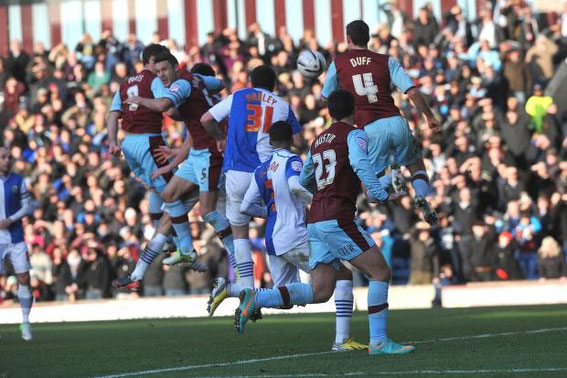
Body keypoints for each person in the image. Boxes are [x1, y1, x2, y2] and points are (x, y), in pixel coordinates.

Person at [234, 90, 414, 356]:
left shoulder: (318, 141)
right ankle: (378, 341)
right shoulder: (354, 134)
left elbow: (307, 179)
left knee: (320, 291)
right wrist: (381, 192)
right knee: (380, 273)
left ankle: (257, 297)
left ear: (330, 112)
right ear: (354, 108)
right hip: (337, 217)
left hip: (316, 220)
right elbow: (361, 167)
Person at [209, 121, 366, 351]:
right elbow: (294, 185)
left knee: (285, 300)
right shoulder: (293, 161)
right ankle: (341, 341)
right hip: (295, 234)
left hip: (272, 239)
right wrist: (320, 202)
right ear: (292, 140)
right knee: (340, 276)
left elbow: (245, 206)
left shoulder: (260, 169)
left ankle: (232, 290)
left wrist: (269, 213)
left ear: (270, 142)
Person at [322, 20, 441, 225]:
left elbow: (327, 98)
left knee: (370, 192)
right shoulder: (386, 60)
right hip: (395, 121)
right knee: (417, 166)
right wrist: (429, 116)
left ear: (348, 39)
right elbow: (412, 91)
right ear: (368, 38)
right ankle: (420, 195)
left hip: (368, 128)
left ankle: (393, 179)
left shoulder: (338, 63)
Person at [107, 45, 204, 292]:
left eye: (165, 68)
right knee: (171, 195)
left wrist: (111, 140)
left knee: (160, 192)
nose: (162, 74)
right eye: (158, 66)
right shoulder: (163, 83)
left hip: (130, 143)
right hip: (153, 142)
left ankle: (172, 247)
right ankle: (183, 247)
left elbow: (113, 114)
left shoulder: (128, 82)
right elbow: (169, 108)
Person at [200, 66, 302, 289]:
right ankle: (289, 283)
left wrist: (220, 138)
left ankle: (247, 287)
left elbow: (206, 119)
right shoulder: (282, 105)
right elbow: (298, 140)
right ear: (274, 85)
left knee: (240, 233)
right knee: (282, 219)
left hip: (236, 172)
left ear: (250, 81)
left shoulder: (237, 96)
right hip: (267, 173)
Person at [0, 147, 34, 340]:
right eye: (3, 157)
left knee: (24, 278)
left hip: (15, 236)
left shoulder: (18, 180)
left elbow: (28, 206)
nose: (7, 160)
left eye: (9, 157)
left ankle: (25, 321)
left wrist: (11, 219)